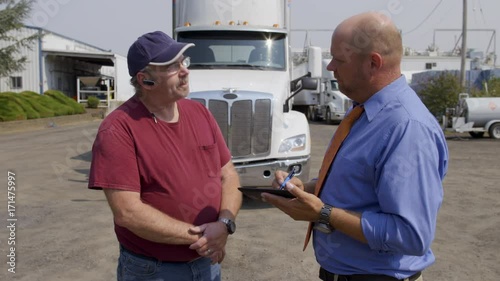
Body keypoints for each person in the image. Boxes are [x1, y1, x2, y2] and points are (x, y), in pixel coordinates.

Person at [262, 12, 448, 281]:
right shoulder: (364, 111)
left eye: (339, 59)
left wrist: (324, 213)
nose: (330, 67)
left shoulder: (407, 128)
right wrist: (305, 189)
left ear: (373, 63)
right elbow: (358, 183)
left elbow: (411, 234)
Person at [88, 31, 242, 281]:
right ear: (145, 79)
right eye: (172, 65)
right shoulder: (118, 129)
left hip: (206, 263)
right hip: (154, 271)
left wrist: (225, 224)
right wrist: (205, 236)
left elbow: (229, 174)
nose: (185, 71)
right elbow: (128, 213)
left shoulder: (200, 113)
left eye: (184, 62)